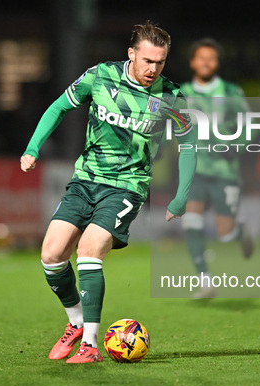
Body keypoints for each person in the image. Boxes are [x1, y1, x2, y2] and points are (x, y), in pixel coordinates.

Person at [20, 21, 196, 363]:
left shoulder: (172, 96)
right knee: (52, 256)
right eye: (147, 60)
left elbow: (189, 146)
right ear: (131, 54)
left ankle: (90, 345)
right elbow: (58, 107)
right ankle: (75, 323)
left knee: (88, 251)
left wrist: (181, 195)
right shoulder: (100, 76)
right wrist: (32, 148)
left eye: (160, 62)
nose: (153, 69)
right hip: (85, 179)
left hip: (127, 187)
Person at [179, 38, 253, 298]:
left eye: (211, 58)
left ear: (217, 63)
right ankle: (205, 281)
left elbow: (248, 125)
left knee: (224, 233)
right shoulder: (182, 93)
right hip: (195, 170)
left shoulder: (231, 92)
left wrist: (238, 145)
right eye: (201, 57)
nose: (206, 62)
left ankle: (239, 232)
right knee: (191, 221)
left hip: (224, 171)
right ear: (192, 62)